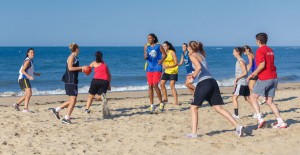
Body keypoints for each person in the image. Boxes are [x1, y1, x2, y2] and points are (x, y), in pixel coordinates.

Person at [186, 41, 243, 138]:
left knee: (193, 107)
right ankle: (238, 126)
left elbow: (199, 67)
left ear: (190, 48)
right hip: (212, 82)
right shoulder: (201, 55)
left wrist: (193, 77)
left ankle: (194, 133)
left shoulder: (192, 56)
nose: (187, 48)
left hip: (204, 83)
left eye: (187, 47)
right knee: (218, 108)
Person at [247, 33, 287, 128]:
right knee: (269, 101)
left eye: (256, 40)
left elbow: (262, 65)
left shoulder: (260, 50)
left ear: (258, 41)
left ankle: (260, 119)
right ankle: (280, 121)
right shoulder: (270, 50)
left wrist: (252, 75)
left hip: (265, 78)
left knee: (252, 97)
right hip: (274, 78)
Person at [50, 43, 87, 124]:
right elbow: (70, 68)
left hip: (73, 81)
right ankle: (66, 118)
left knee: (72, 100)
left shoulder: (76, 58)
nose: (79, 49)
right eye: (78, 48)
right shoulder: (71, 57)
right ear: (76, 49)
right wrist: (81, 67)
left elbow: (74, 69)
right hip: (70, 81)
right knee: (73, 100)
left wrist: (82, 70)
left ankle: (57, 110)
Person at [84, 51, 111, 118]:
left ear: (95, 56)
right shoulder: (105, 64)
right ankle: (102, 98)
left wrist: (86, 73)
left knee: (90, 96)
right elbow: (109, 75)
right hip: (104, 81)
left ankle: (87, 109)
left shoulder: (93, 63)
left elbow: (88, 69)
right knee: (100, 97)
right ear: (101, 57)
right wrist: (109, 84)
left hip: (95, 81)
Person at [144, 33, 166, 113]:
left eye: (150, 38)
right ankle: (151, 105)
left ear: (153, 38)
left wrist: (162, 60)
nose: (148, 40)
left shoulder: (158, 46)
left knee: (155, 85)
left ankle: (161, 103)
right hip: (149, 68)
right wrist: (145, 56)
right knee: (150, 86)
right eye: (148, 38)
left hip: (157, 67)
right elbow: (145, 56)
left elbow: (165, 54)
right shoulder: (146, 46)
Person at [13, 48, 41, 112]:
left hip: (24, 78)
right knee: (29, 93)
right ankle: (25, 108)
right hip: (23, 78)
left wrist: (35, 74)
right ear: (28, 53)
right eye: (31, 52)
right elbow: (23, 70)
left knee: (28, 94)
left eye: (33, 52)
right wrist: (29, 76)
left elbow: (28, 70)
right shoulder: (28, 61)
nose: (32, 54)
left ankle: (16, 104)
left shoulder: (30, 61)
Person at [232, 47, 252, 119]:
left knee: (234, 97)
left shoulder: (241, 61)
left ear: (238, 52)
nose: (233, 53)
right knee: (247, 98)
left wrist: (237, 78)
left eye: (234, 52)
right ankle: (257, 111)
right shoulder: (240, 61)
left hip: (241, 82)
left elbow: (245, 72)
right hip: (243, 82)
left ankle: (236, 114)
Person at [160, 41, 179, 105]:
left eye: (165, 46)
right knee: (162, 84)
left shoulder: (172, 52)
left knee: (172, 85)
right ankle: (165, 99)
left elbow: (176, 63)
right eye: (163, 46)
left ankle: (176, 101)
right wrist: (163, 65)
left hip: (173, 70)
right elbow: (163, 61)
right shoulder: (163, 53)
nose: (164, 47)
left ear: (168, 46)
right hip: (167, 71)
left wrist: (169, 66)